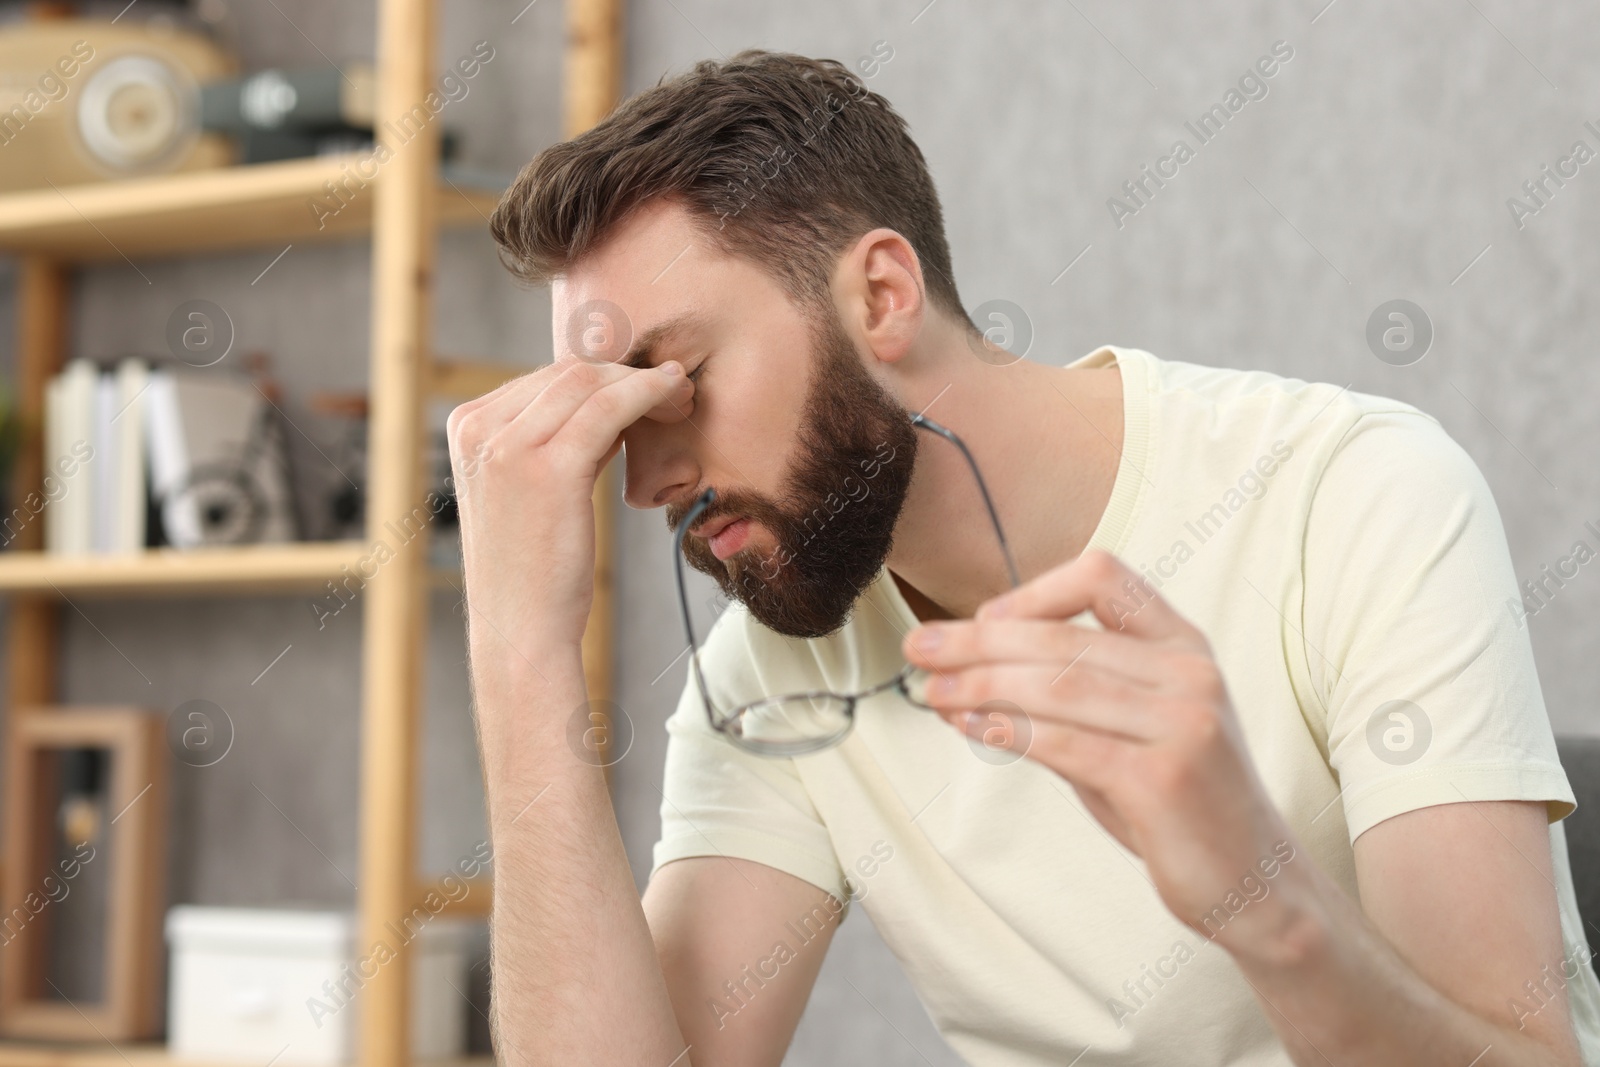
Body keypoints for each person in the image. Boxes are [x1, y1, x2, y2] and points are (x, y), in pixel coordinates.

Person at [446, 49, 1600, 1066]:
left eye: (675, 383)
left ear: (881, 296)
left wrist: (1264, 901)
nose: (647, 484)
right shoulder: (769, 677)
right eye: (613, 422)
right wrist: (516, 647)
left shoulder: (1355, 496)